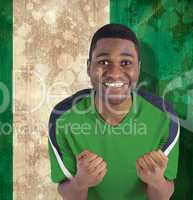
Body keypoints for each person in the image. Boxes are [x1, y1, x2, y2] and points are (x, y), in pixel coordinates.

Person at [48, 23, 180, 200]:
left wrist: (156, 181)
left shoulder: (164, 117)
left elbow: (162, 195)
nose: (115, 73)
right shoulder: (62, 118)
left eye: (125, 63)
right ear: (89, 67)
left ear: (138, 68)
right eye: (103, 62)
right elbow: (67, 194)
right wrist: (81, 182)